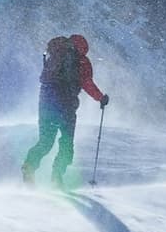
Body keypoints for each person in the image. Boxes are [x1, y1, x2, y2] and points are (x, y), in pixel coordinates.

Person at [21, 33, 108, 188]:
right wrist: (100, 98)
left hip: (46, 104)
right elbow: (87, 83)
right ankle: (57, 177)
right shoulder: (81, 61)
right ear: (83, 49)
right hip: (66, 106)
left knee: (45, 142)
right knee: (66, 144)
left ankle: (29, 166)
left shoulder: (55, 55)